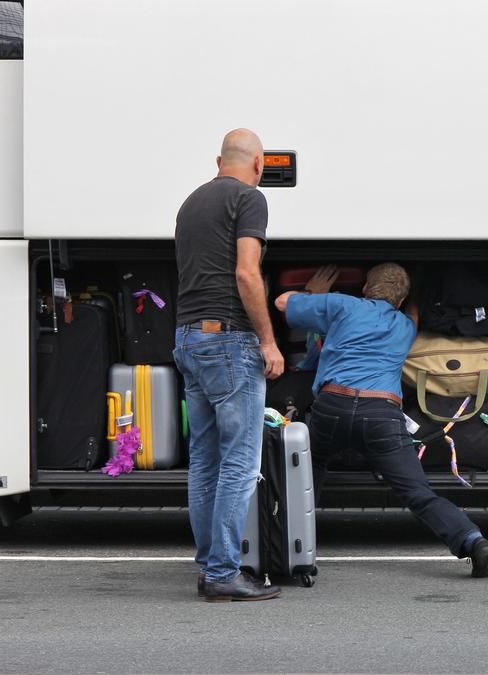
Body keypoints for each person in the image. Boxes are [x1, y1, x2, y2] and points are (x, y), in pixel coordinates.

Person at [275, 264, 488, 578]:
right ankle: (472, 541)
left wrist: (314, 295)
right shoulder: (405, 326)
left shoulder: (342, 305)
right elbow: (414, 315)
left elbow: (282, 303)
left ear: (365, 288)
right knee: (417, 493)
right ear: (401, 301)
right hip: (381, 414)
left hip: (333, 405)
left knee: (308, 475)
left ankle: (288, 548)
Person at [173, 128, 284, 602]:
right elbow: (246, 272)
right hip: (228, 341)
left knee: (205, 459)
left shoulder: (191, 203)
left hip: (188, 338)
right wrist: (268, 342)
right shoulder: (249, 199)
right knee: (240, 460)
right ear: (258, 164)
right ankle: (222, 572)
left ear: (219, 161)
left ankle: (209, 567)